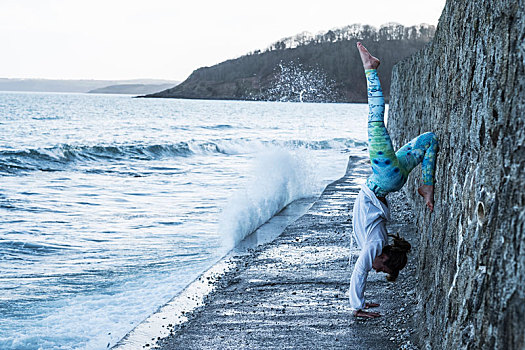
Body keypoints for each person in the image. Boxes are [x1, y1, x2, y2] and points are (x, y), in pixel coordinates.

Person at [349, 42, 439, 318]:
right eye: (383, 268)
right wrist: (358, 307)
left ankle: (427, 185)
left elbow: (365, 268)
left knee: (429, 140)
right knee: (375, 120)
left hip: (390, 181)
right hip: (386, 178)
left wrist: (363, 300)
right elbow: (360, 270)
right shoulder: (376, 244)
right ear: (385, 257)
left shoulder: (374, 242)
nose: (377, 269)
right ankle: (370, 70)